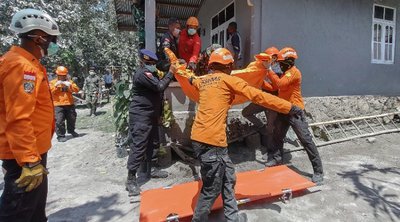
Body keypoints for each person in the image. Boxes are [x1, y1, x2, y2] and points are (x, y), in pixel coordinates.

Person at [182, 48, 302, 222]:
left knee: (228, 177)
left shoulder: (205, 81)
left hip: (201, 139)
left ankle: (232, 218)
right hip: (212, 143)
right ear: (229, 65)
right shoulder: (229, 80)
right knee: (211, 189)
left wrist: (183, 71)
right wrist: (289, 107)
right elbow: (259, 96)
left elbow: (192, 79)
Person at [0, 8, 61, 221]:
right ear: (39, 38)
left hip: (32, 151)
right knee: (19, 214)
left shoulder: (29, 65)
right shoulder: (20, 67)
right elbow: (18, 117)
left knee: (35, 213)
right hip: (24, 158)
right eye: (52, 40)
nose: (54, 45)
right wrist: (29, 161)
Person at [262, 47, 324, 185]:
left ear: (289, 62)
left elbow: (279, 84)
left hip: (295, 111)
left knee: (306, 140)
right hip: (284, 109)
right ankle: (277, 159)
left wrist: (269, 70)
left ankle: (318, 171)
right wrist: (260, 82)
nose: (278, 64)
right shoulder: (285, 72)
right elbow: (274, 87)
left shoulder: (294, 73)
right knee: (278, 136)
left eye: (281, 62)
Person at [125, 49, 177, 196]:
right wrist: (171, 72)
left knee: (153, 143)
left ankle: (151, 169)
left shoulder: (151, 74)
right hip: (140, 116)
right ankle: (130, 180)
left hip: (151, 115)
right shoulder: (143, 74)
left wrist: (159, 114)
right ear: (143, 62)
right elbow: (160, 87)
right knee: (139, 145)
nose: (152, 66)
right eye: (149, 63)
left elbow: (157, 94)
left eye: (153, 63)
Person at [242, 47, 281, 153]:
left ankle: (271, 151)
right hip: (262, 98)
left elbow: (274, 87)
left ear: (275, 58)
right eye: (265, 59)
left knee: (271, 127)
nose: (267, 61)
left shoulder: (278, 70)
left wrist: (261, 81)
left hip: (272, 101)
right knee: (246, 112)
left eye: (271, 58)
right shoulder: (262, 68)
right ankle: (261, 127)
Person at [50, 66, 80, 142]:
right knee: (59, 120)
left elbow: (76, 90)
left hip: (69, 103)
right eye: (61, 75)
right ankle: (60, 135)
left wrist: (69, 85)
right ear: (57, 75)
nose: (63, 77)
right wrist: (56, 85)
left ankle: (71, 131)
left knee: (72, 118)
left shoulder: (69, 81)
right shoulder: (53, 82)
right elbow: (49, 91)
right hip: (58, 104)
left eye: (64, 75)